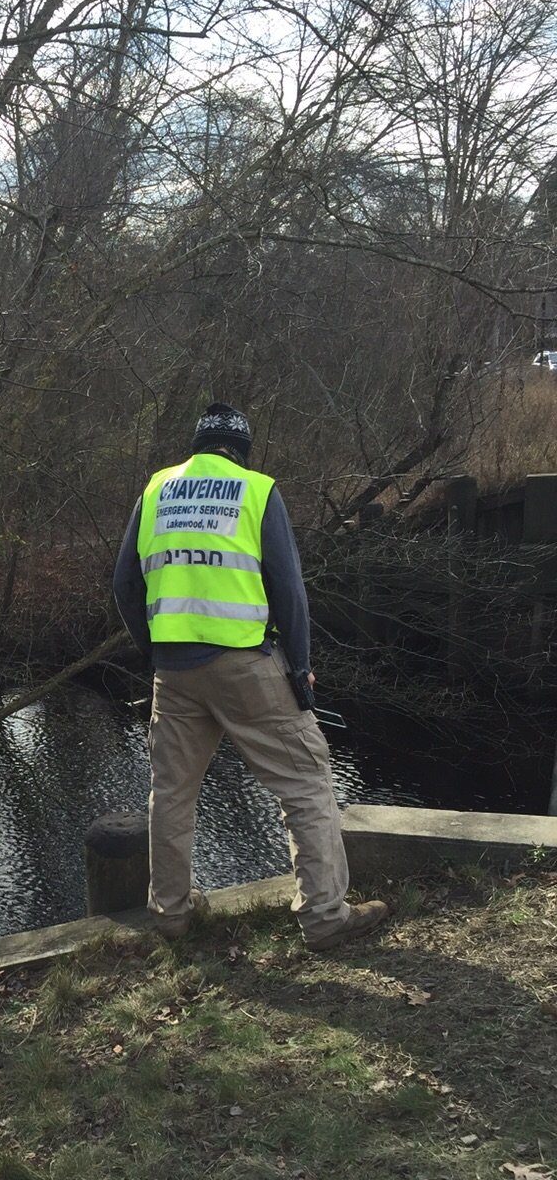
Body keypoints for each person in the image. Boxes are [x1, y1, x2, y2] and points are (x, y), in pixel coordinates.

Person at [112, 404, 388, 953]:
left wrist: (158, 651)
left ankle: (171, 915)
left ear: (197, 444)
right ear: (240, 450)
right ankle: (325, 916)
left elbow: (125, 587)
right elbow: (289, 592)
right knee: (306, 783)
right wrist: (301, 667)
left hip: (174, 670)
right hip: (246, 665)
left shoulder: (156, 491)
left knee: (171, 794)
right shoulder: (256, 491)